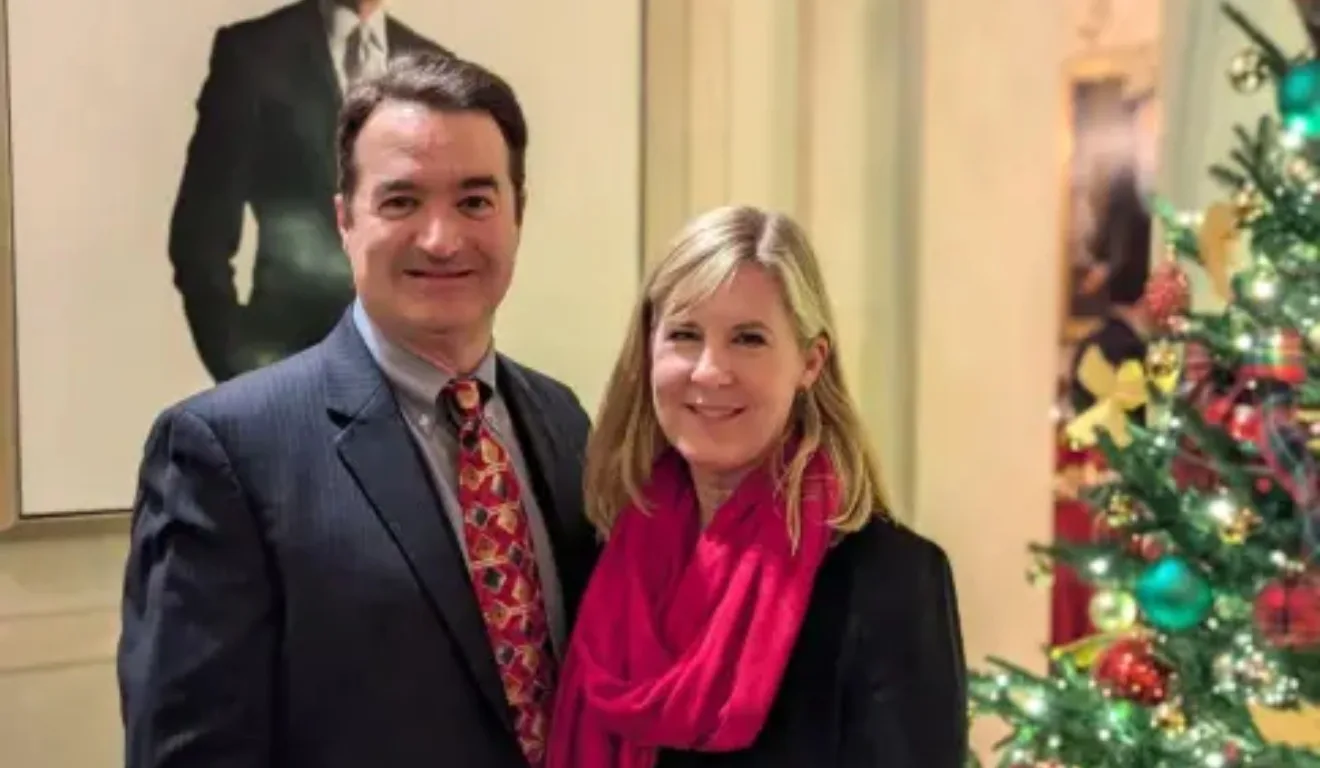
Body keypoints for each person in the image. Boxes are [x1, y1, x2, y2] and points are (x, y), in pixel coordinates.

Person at [119, 52, 599, 768]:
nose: (441, 239)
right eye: (401, 201)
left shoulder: (561, 419)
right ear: (344, 220)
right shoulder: (223, 452)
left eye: (475, 200)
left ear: (518, 212)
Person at [544, 205, 968, 767]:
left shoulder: (891, 580)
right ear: (648, 351)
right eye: (685, 335)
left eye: (748, 339)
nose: (710, 371)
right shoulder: (599, 551)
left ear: (811, 362)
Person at [169, 0, 451, 382]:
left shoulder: (434, 67)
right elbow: (200, 236)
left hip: (408, 378)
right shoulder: (254, 53)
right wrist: (240, 371)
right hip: (286, 363)